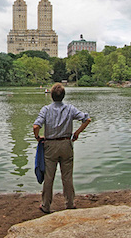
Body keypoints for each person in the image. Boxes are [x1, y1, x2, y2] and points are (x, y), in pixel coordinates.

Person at [33, 83, 91, 214]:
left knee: (49, 177)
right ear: (63, 96)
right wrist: (77, 133)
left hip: (50, 146)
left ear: (51, 96)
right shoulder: (70, 109)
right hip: (66, 144)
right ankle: (70, 204)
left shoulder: (46, 110)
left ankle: (46, 206)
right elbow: (87, 119)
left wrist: (37, 138)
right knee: (67, 177)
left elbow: (36, 126)